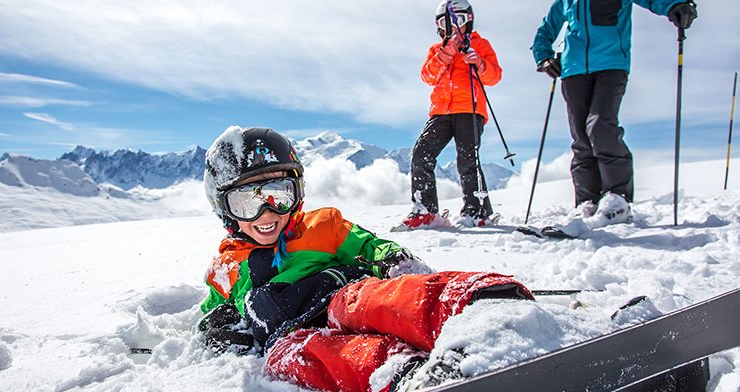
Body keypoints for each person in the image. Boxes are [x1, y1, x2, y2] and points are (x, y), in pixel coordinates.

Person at [198, 126, 534, 392]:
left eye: (278, 195)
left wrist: (391, 260)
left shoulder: (321, 226)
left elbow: (369, 246)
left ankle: (476, 303)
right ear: (224, 210)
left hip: (336, 297)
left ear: (296, 195)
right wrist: (219, 327)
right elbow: (210, 312)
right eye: (247, 203)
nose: (266, 212)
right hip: (290, 334)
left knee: (373, 299)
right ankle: (403, 372)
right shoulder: (226, 269)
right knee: (292, 358)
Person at [531, 0, 698, 222]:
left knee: (600, 126)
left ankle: (617, 199)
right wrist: (543, 58)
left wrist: (675, 5)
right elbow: (545, 31)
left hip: (611, 65)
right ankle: (586, 202)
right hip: (573, 70)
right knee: (581, 137)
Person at [402, 0, 503, 230]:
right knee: (421, 153)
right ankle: (425, 210)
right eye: (446, 23)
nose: (452, 28)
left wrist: (479, 62)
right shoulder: (436, 49)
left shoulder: (480, 45)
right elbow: (427, 76)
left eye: (457, 21)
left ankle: (477, 211)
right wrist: (445, 54)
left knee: (468, 158)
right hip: (441, 110)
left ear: (468, 20)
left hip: (470, 108)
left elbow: (494, 77)